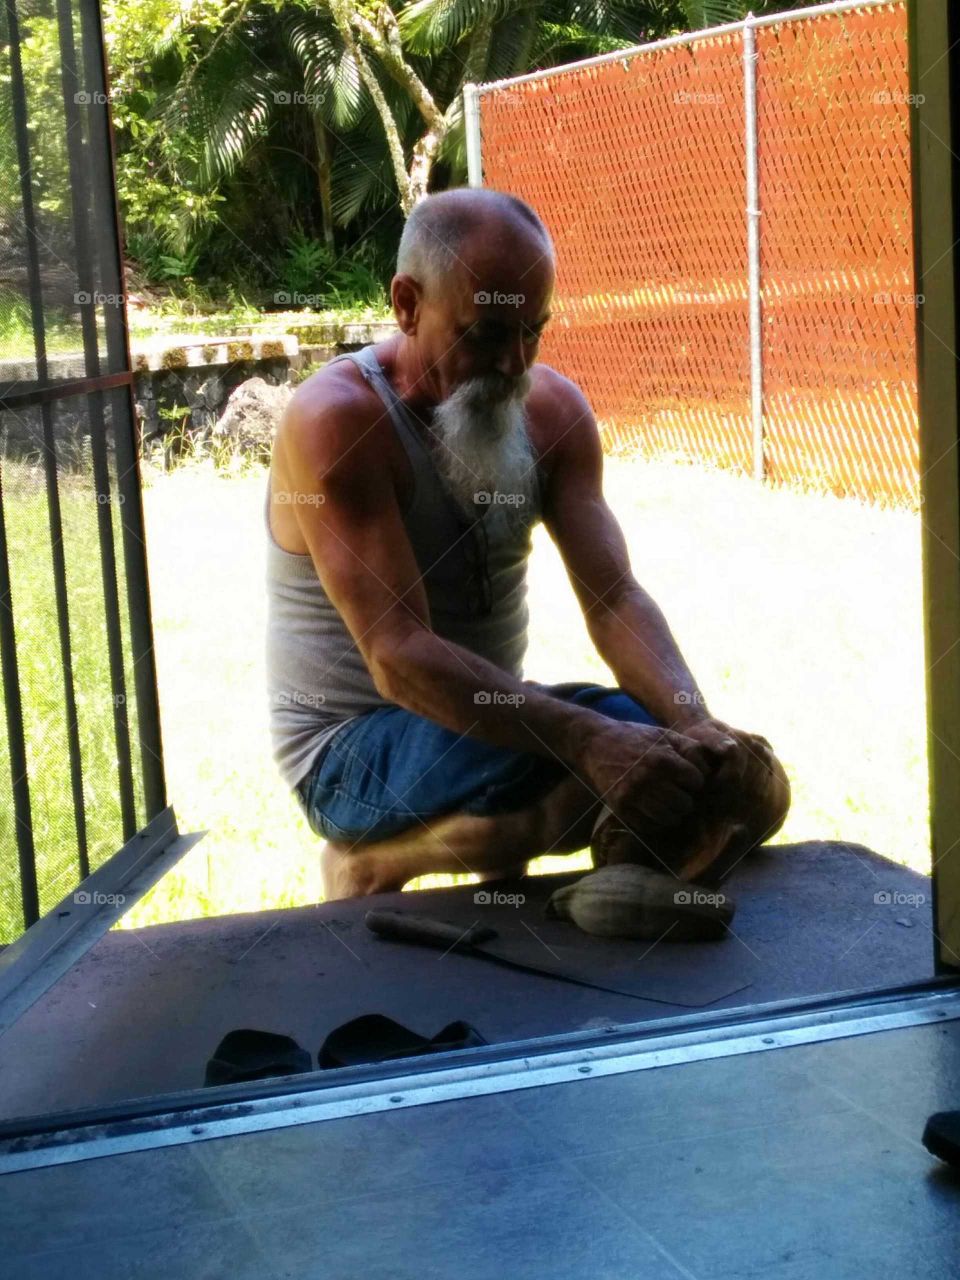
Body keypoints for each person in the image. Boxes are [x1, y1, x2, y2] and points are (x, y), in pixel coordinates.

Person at [265, 186, 789, 901]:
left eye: (533, 332)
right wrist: (584, 739)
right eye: (485, 334)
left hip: (489, 722)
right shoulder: (339, 423)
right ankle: (372, 863)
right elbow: (399, 659)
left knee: (675, 759)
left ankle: (524, 841)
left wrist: (694, 725)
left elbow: (614, 598)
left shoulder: (554, 412)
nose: (514, 363)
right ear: (408, 304)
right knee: (594, 753)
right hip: (354, 752)